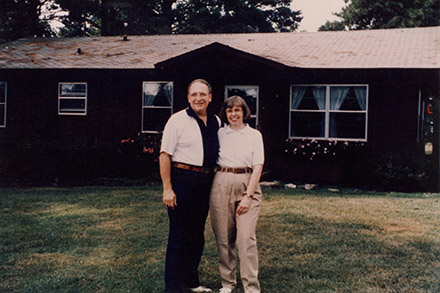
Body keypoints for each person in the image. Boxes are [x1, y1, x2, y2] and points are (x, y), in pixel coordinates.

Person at [159, 79, 221, 293]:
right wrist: (168, 188)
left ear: (210, 97)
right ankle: (173, 288)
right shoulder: (177, 120)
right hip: (182, 180)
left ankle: (191, 282)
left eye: (203, 94)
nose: (198, 98)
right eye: (194, 94)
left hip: (205, 183)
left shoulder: (216, 121)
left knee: (197, 235)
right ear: (188, 97)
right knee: (178, 236)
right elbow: (165, 155)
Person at [210, 96, 264, 293]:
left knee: (246, 239)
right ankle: (228, 283)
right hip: (221, 182)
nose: (233, 114)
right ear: (225, 113)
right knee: (223, 238)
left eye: (237, 110)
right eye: (229, 110)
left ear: (244, 112)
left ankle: (251, 287)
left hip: (246, 183)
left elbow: (258, 166)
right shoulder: (219, 133)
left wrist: (248, 196)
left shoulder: (254, 135)